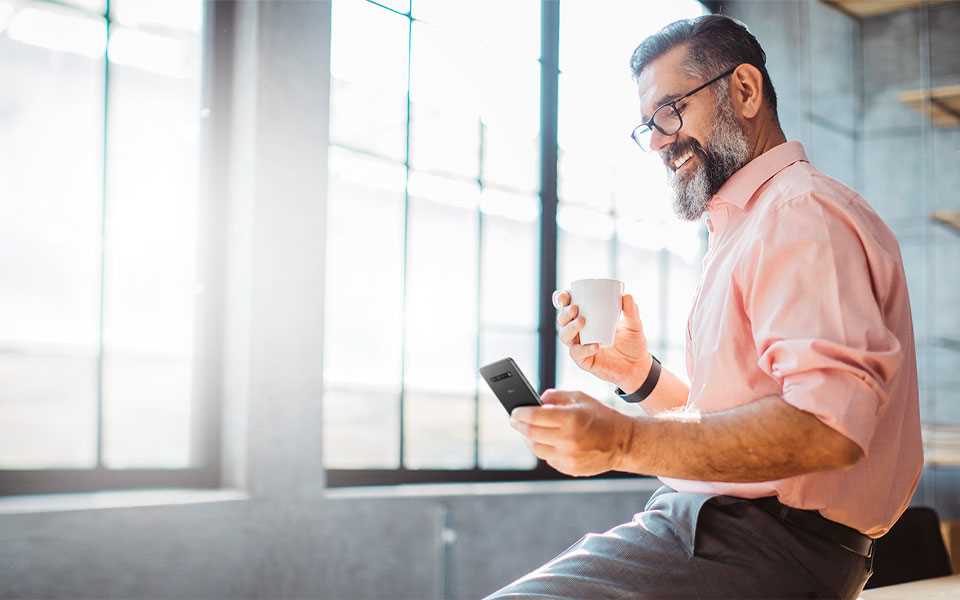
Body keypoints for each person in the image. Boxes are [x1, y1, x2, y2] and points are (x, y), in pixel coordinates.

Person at [485, 14, 921, 600]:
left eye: (671, 111)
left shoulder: (799, 214)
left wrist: (622, 442)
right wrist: (638, 378)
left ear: (744, 90)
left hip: (756, 544)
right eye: (648, 126)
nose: (660, 140)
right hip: (728, 532)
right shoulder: (750, 225)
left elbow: (826, 428)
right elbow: (744, 420)